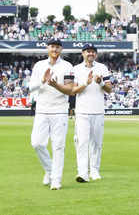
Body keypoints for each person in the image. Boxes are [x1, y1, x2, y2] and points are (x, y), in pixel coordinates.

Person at [29, 38, 74, 190]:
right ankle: (49, 170)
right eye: (52, 47)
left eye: (57, 47)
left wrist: (56, 85)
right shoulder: (39, 65)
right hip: (42, 110)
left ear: (61, 50)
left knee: (58, 146)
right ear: (47, 48)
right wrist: (42, 80)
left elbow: (70, 90)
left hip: (60, 110)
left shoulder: (67, 66)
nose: (54, 50)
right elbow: (30, 88)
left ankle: (56, 180)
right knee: (37, 143)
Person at [71, 43, 112, 182]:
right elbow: (73, 90)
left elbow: (109, 89)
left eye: (93, 52)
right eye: (88, 51)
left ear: (96, 54)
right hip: (82, 111)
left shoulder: (102, 68)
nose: (91, 54)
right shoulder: (76, 69)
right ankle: (82, 172)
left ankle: (94, 170)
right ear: (83, 53)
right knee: (82, 142)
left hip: (98, 111)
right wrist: (86, 84)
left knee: (96, 143)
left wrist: (100, 82)